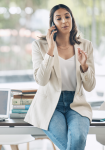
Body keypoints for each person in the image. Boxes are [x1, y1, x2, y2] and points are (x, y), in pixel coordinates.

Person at [24, 4, 96, 150]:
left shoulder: (86, 45)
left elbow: (90, 87)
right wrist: (50, 50)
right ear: (53, 23)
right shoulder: (40, 46)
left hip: (76, 104)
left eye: (67, 16)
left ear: (72, 20)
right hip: (50, 105)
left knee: (77, 138)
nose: (64, 21)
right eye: (59, 18)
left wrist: (84, 67)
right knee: (73, 145)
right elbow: (41, 80)